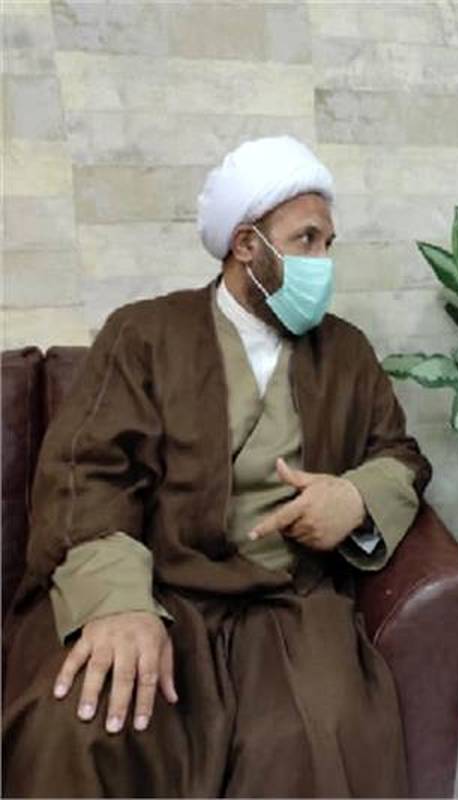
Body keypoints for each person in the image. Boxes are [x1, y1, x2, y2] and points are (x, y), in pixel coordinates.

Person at [2, 136, 431, 796]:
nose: (322, 262)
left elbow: (398, 454)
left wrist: (354, 499)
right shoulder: (143, 333)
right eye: (306, 240)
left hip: (285, 598)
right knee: (82, 722)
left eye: (328, 244)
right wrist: (117, 604)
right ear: (246, 245)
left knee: (323, 734)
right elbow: (85, 472)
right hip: (155, 587)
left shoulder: (347, 351)